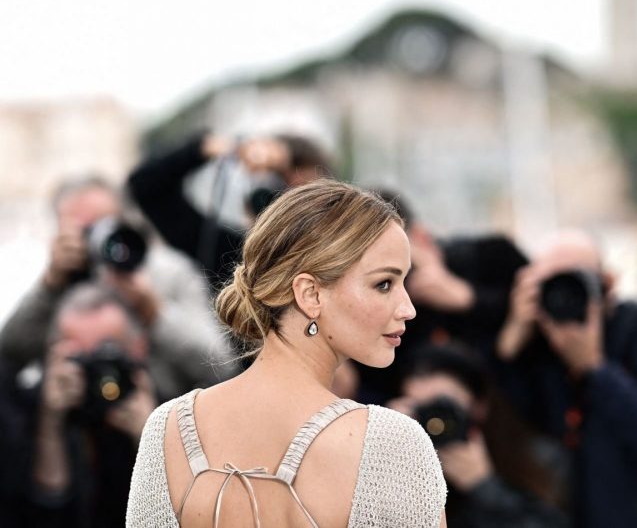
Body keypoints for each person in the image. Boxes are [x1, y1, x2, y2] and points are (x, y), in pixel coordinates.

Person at [127, 179, 447, 527]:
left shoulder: (167, 429)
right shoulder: (390, 446)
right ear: (310, 294)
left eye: (404, 282)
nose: (408, 308)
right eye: (383, 283)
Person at [495, 231, 637, 528]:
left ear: (607, 283)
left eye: (577, 280)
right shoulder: (549, 351)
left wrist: (596, 369)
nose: (565, 294)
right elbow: (522, 432)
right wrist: (510, 347)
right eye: (551, 284)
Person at [0, 176, 232, 399]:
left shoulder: (168, 273)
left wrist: (154, 312)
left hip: (157, 413)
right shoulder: (58, 280)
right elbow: (11, 353)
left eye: (106, 224)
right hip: (77, 426)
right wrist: (50, 286)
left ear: (124, 218)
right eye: (84, 230)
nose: (98, 238)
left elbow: (220, 364)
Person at [1, 283, 159, 528]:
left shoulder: (172, 408)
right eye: (81, 360)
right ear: (53, 355)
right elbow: (39, 514)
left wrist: (153, 438)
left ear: (138, 347)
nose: (94, 375)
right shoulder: (26, 411)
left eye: (106, 356)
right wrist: (50, 426)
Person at [357, 190, 528, 404]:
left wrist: (469, 298)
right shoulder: (372, 320)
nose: (405, 303)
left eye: (406, 270)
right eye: (383, 283)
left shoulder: (490, 258)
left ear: (420, 237)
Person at [390, 343, 569, 528]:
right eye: (421, 409)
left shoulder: (540, 458)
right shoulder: (406, 465)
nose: (434, 421)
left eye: (442, 406)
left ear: (480, 405)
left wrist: (483, 486)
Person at [127, 132, 332, 290]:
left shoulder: (338, 261)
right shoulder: (230, 258)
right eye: (276, 187)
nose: (286, 205)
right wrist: (207, 148)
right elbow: (145, 187)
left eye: (302, 196)